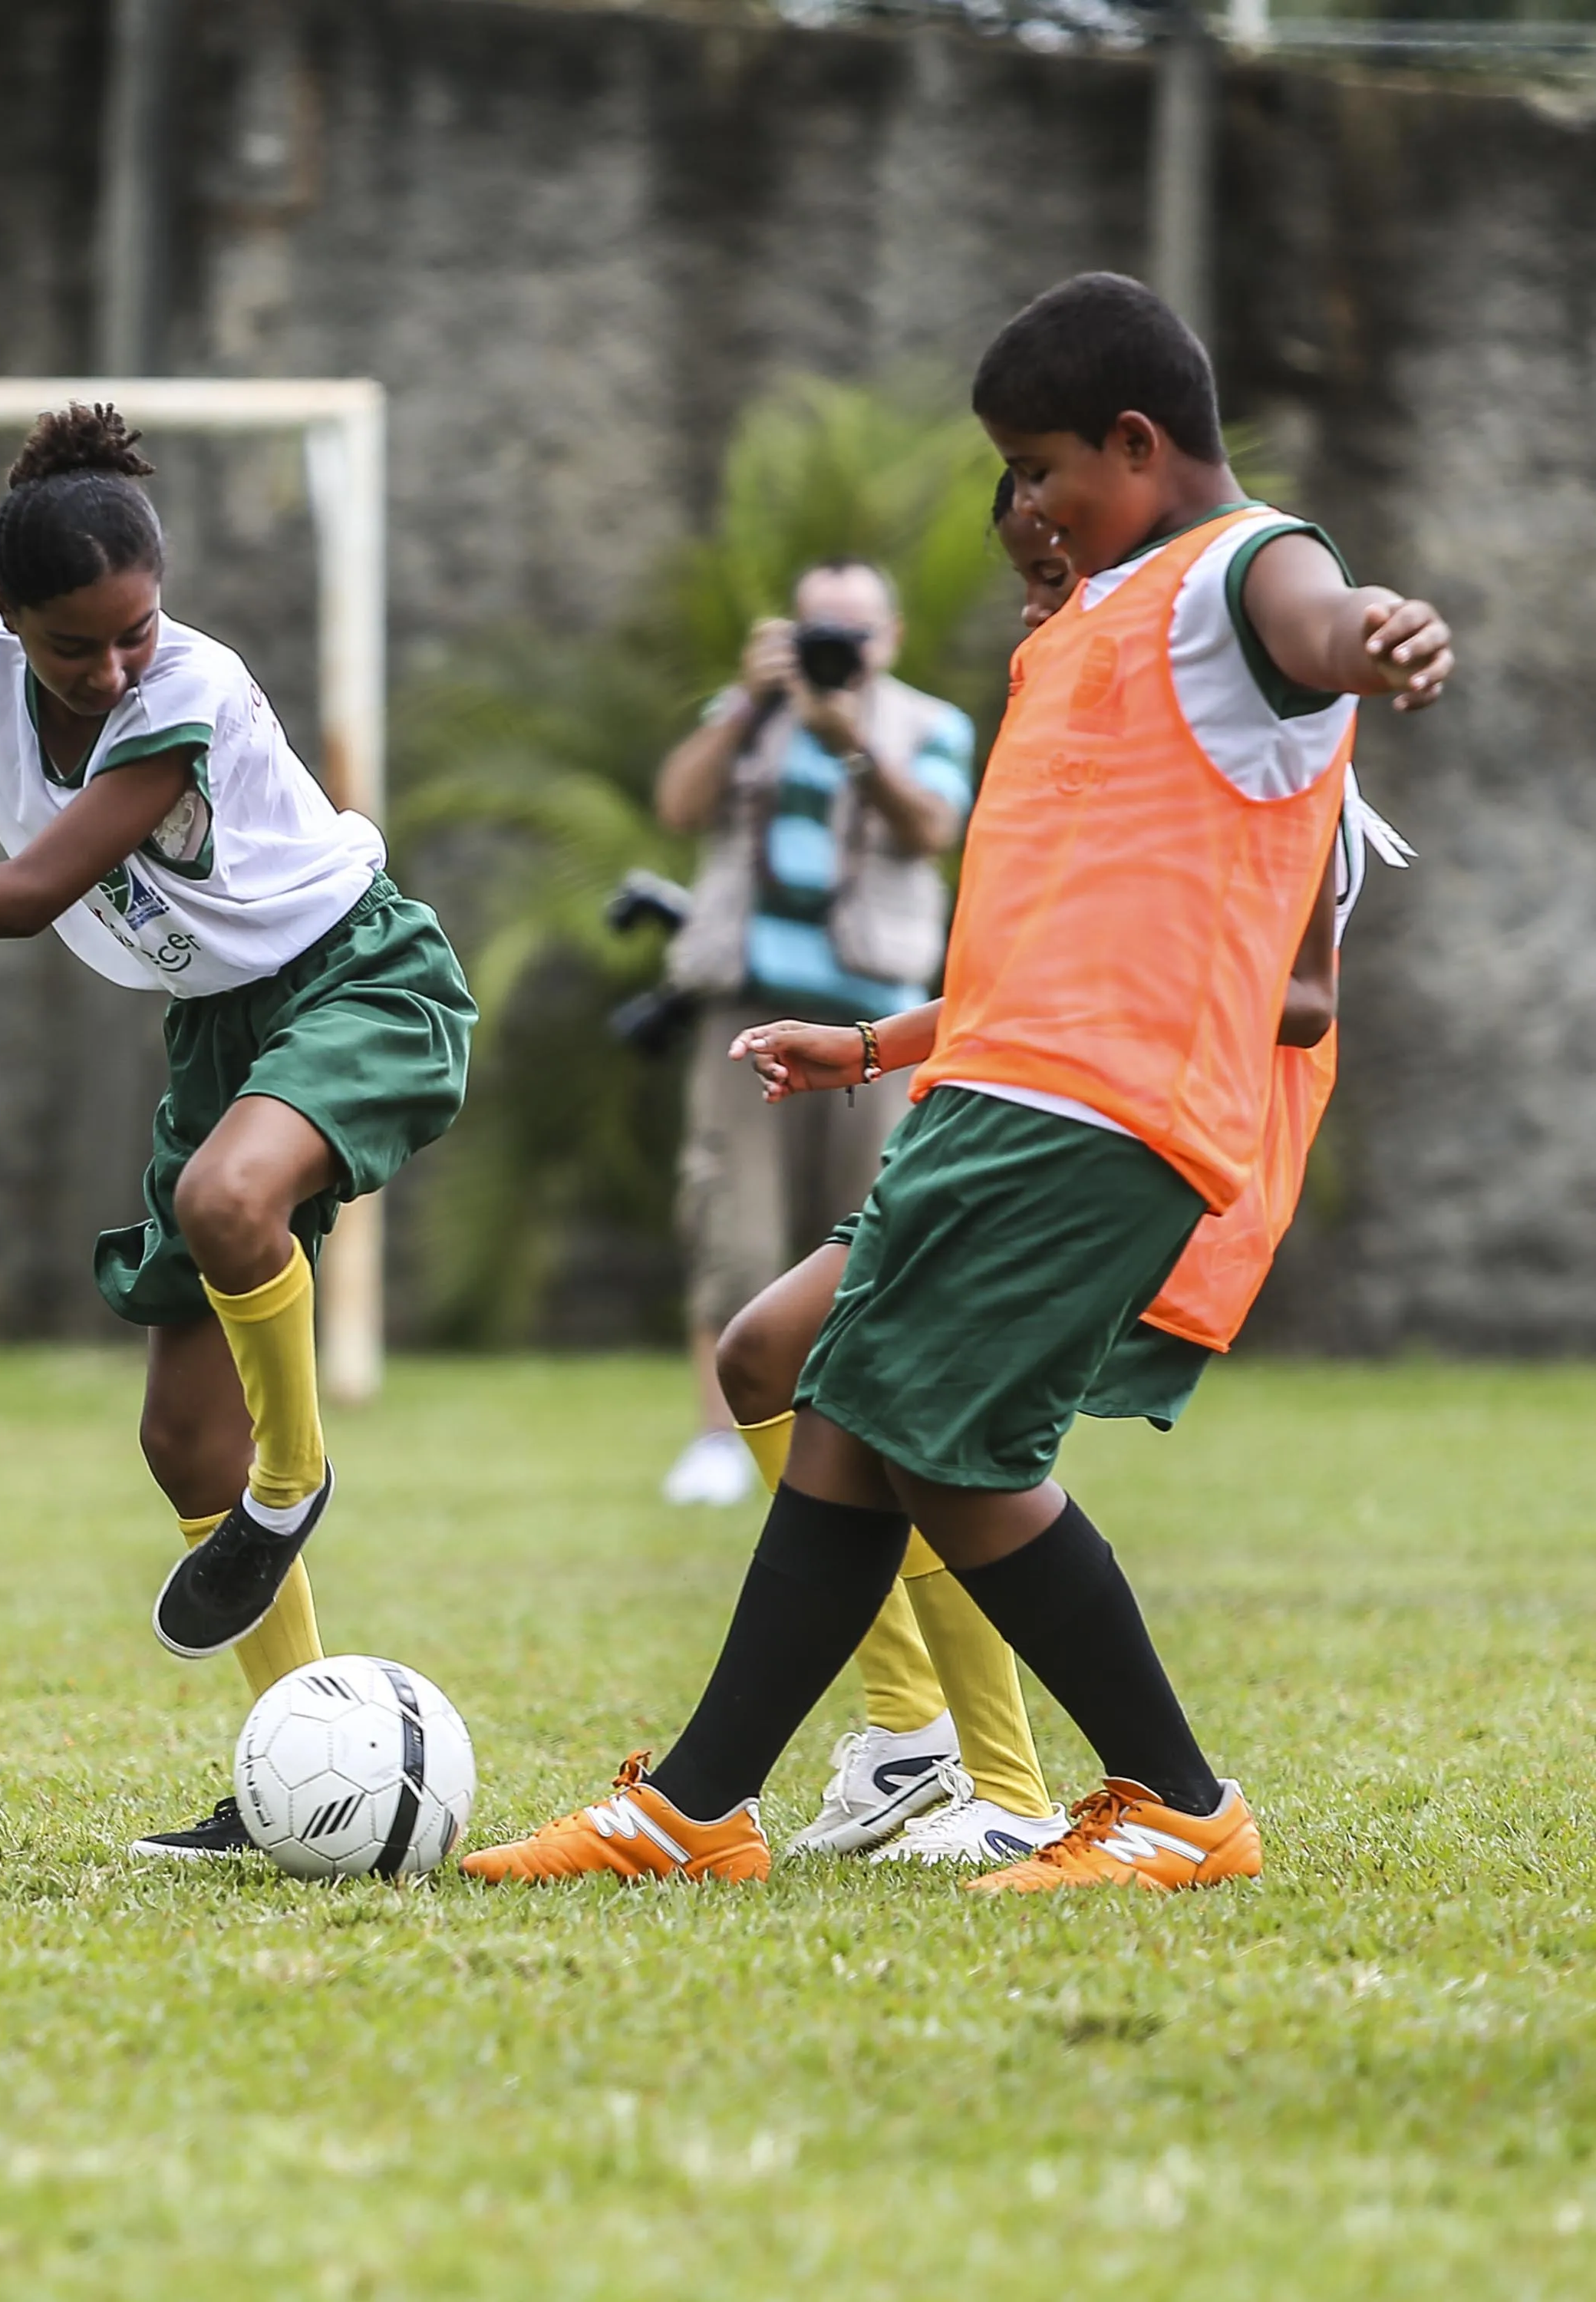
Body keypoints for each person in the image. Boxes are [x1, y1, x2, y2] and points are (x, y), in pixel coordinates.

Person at [464, 271, 1452, 1894]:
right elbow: (1043, 940)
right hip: (989, 1097)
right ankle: (696, 1808)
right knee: (814, 1390)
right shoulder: (1074, 636)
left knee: (946, 1447)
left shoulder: (1243, 568)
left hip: (1101, 1117)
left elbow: (1318, 625)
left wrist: (1377, 638)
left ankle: (1179, 1810)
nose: (1024, 509)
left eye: (1039, 470)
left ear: (1133, 443)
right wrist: (867, 1046)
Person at [0, 406, 474, 1860]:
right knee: (177, 1443)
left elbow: (29, 889)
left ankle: (298, 1480)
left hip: (354, 977)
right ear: (2, 617)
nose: (109, 668)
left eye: (132, 630)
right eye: (72, 647)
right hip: (214, 1031)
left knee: (227, 1207)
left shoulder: (185, 691)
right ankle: (291, 1771)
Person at [648, 559, 976, 1509]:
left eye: (855, 633)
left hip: (879, 1022)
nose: (838, 649)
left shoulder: (929, 726)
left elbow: (932, 830)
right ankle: (720, 1440)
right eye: (817, 631)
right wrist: (746, 707)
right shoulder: (748, 712)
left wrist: (851, 746)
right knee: (733, 1230)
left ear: (892, 639)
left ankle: (869, 1438)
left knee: (877, 1232)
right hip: (743, 1011)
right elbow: (675, 806)